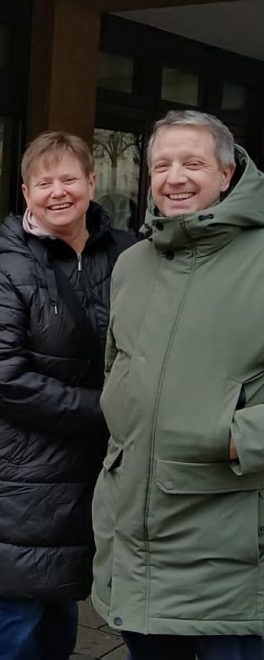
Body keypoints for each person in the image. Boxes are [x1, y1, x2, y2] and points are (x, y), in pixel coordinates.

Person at [91, 110, 264, 659]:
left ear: (227, 174)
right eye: (162, 165)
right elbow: (118, 370)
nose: (175, 177)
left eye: (193, 163)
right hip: (134, 541)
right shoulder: (132, 263)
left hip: (227, 549)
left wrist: (233, 436)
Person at [0, 131, 135, 660]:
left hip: (86, 464)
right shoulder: (8, 270)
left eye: (69, 179)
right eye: (44, 182)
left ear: (92, 183)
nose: (58, 192)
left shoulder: (128, 256)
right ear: (26, 193)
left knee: (60, 595)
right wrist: (103, 410)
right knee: (23, 604)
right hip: (18, 470)